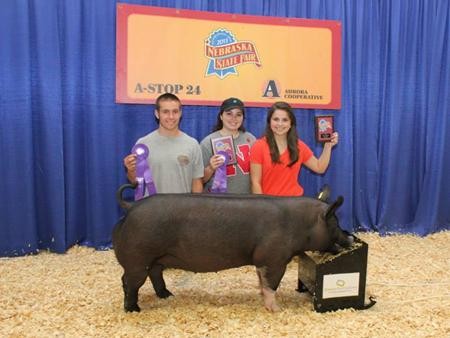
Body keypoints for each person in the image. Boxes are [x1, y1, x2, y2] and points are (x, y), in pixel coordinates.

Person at [250, 101, 339, 196]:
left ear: (291, 123)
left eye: (285, 120)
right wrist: (262, 207)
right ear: (269, 121)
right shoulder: (258, 146)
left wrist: (328, 146)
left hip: (295, 204)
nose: (280, 124)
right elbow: (255, 183)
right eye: (276, 119)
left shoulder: (299, 146)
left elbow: (320, 167)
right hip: (269, 206)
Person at [123, 93, 204, 194]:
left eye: (175, 111)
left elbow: (196, 182)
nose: (171, 116)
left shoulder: (192, 144)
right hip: (151, 208)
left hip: (182, 209)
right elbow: (135, 182)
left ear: (180, 113)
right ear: (157, 114)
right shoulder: (143, 144)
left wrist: (196, 208)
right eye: (165, 112)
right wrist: (130, 170)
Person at [200, 98, 256, 193]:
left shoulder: (251, 139)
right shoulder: (207, 142)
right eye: (229, 114)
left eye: (238, 114)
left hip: (246, 201)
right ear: (221, 116)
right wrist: (211, 168)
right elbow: (199, 180)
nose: (233, 118)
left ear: (243, 118)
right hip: (218, 203)